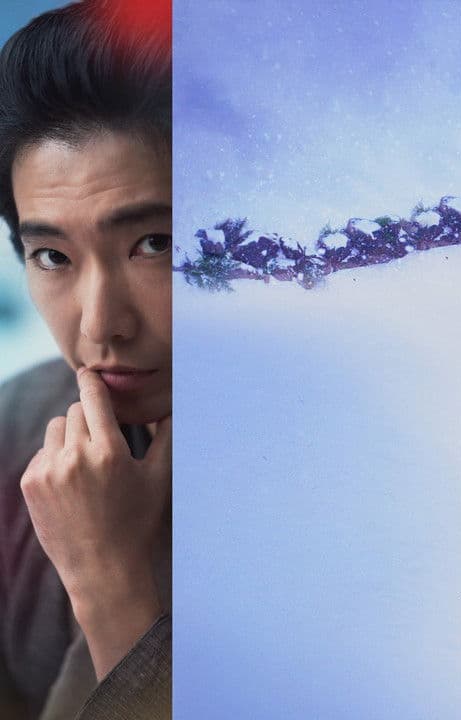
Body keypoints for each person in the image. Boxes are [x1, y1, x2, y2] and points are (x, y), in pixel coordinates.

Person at [0, 2, 171, 718]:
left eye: (155, 244)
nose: (101, 325)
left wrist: (110, 584)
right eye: (52, 255)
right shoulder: (16, 423)